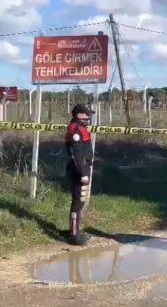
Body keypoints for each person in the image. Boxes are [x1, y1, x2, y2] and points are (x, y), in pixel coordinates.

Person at [65, 104, 95, 246]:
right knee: (78, 202)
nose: (89, 117)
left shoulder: (77, 127)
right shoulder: (76, 130)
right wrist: (83, 173)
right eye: (86, 114)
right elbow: (76, 155)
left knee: (79, 201)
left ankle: (75, 231)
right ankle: (74, 235)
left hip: (79, 167)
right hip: (78, 169)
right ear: (80, 115)